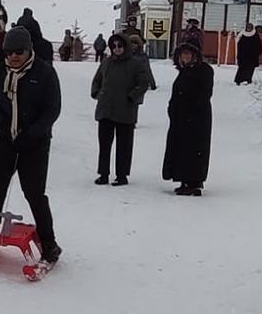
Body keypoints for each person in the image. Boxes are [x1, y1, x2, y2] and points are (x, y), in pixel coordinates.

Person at [0, 26, 63, 264]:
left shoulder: (44, 73)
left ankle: (49, 244)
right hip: (6, 139)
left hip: (34, 143)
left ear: (29, 50)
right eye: (8, 52)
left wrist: (33, 133)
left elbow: (52, 108)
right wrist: (1, 122)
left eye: (19, 51)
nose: (13, 56)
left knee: (34, 193)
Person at [91, 33, 152, 186]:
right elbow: (97, 79)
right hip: (106, 109)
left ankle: (122, 175)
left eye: (120, 45)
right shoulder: (106, 62)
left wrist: (132, 97)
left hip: (125, 110)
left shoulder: (136, 64)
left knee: (124, 146)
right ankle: (103, 173)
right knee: (104, 145)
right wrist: (96, 92)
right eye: (114, 46)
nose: (117, 49)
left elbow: (144, 83)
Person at [162, 42, 213, 196]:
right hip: (181, 118)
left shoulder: (203, 70)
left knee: (194, 149)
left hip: (196, 118)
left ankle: (193, 181)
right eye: (182, 55)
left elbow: (204, 94)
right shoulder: (183, 72)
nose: (185, 57)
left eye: (188, 54)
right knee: (181, 148)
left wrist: (192, 111)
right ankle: (184, 179)